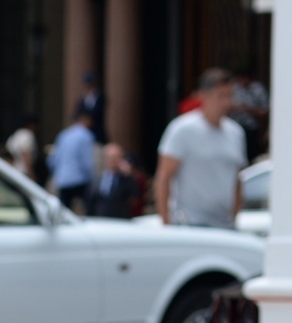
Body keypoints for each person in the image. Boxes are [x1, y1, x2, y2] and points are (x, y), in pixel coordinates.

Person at [153, 68, 246, 229]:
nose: (227, 102)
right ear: (204, 96)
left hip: (225, 225)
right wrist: (166, 224)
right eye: (221, 96)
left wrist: (234, 217)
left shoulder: (236, 133)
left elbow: (236, 178)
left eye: (230, 95)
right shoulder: (182, 129)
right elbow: (164, 177)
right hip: (190, 223)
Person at [48, 105, 99, 212]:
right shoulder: (86, 135)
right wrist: (93, 178)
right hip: (80, 180)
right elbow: (86, 161)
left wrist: (57, 175)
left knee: (64, 212)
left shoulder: (64, 134)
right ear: (86, 119)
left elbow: (53, 160)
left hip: (63, 180)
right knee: (89, 210)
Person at [83, 142, 146, 219]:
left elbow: (135, 197)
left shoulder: (126, 179)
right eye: (110, 157)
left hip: (120, 220)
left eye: (116, 157)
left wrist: (128, 175)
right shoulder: (97, 179)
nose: (113, 161)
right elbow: (90, 200)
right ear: (105, 159)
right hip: (99, 220)